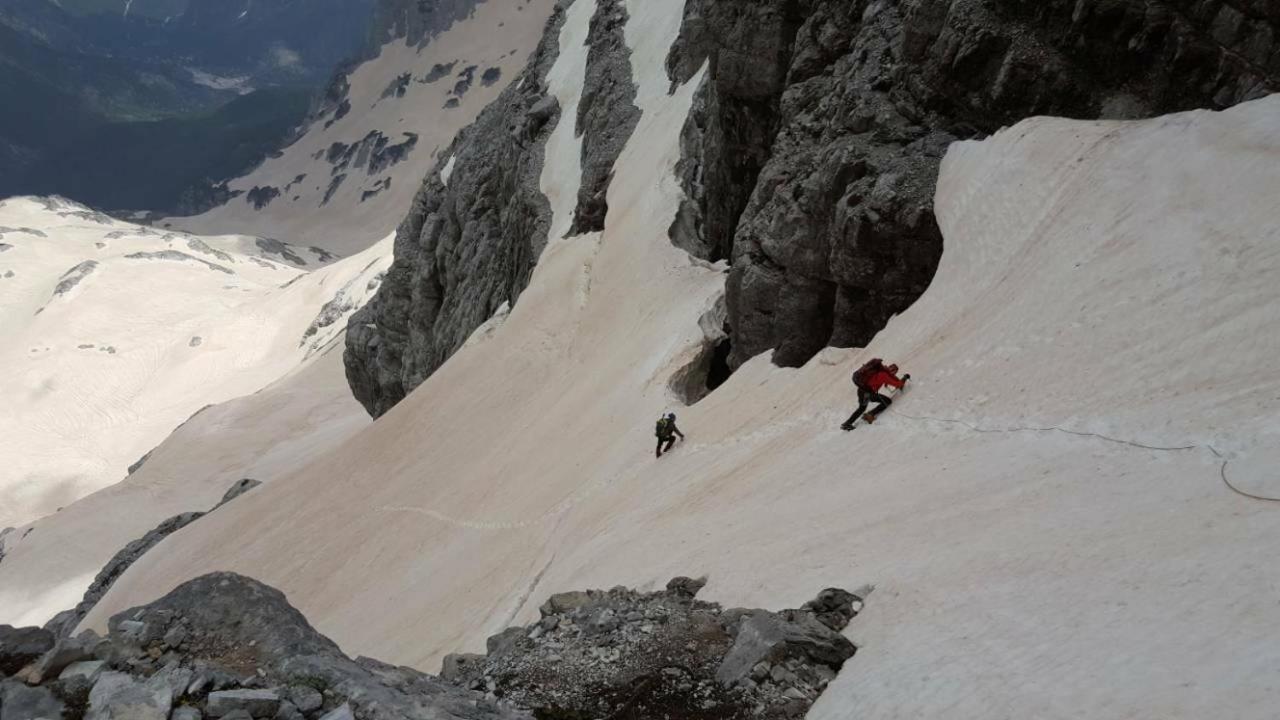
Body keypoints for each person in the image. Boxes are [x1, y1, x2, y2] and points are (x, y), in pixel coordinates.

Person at [841, 358, 909, 430]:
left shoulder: (880, 371)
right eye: (894, 372)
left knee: (862, 408)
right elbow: (897, 384)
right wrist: (905, 378)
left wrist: (897, 380)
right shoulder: (884, 375)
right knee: (887, 401)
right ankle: (870, 414)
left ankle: (847, 423)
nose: (894, 374)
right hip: (868, 393)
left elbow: (891, 379)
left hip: (862, 391)